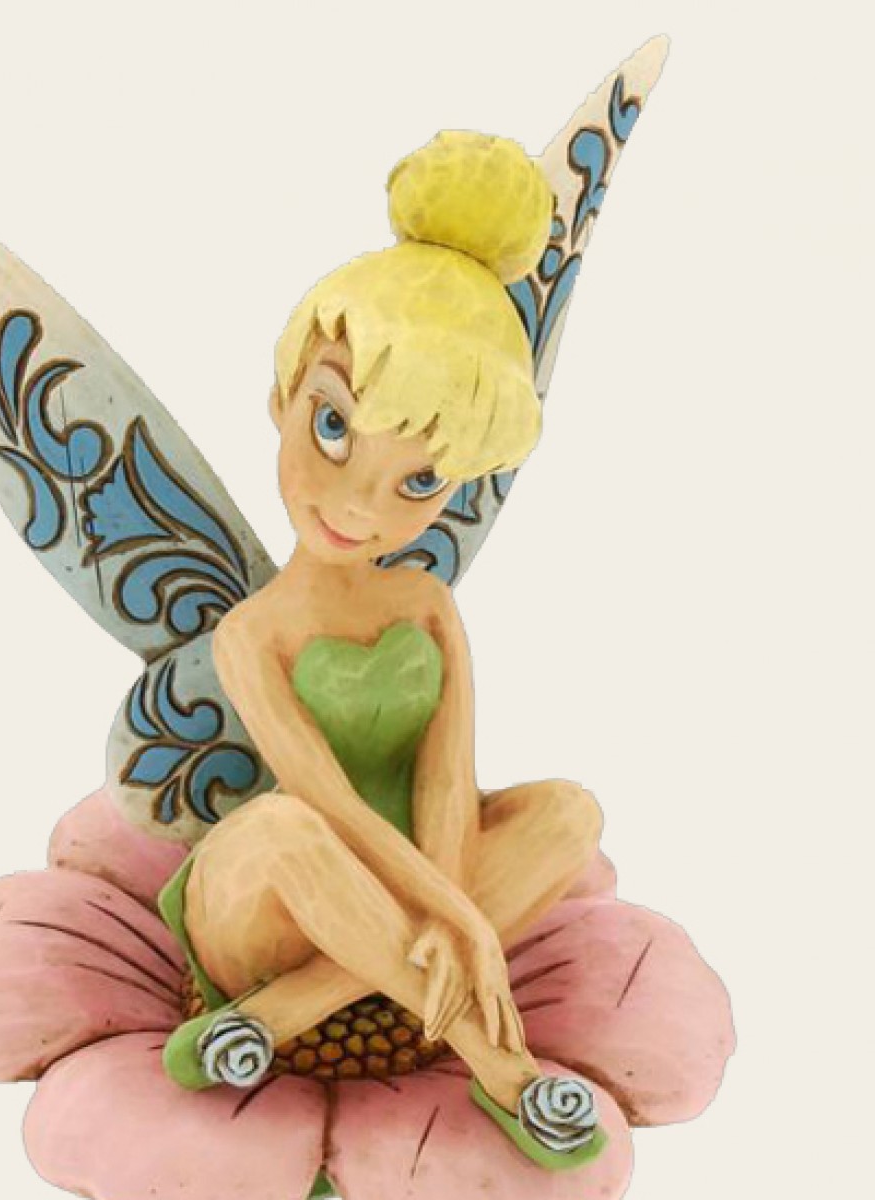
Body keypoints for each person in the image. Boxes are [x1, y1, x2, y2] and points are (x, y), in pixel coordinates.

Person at [159, 131, 608, 1171]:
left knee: (570, 815)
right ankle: (503, 1069)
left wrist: (447, 906)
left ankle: (281, 1016)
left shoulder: (428, 605)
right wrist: (464, 922)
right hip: (271, 902)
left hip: (400, 900)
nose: (360, 503)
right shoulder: (252, 632)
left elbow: (447, 787)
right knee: (286, 827)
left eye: (419, 482)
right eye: (333, 427)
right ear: (283, 397)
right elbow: (330, 804)